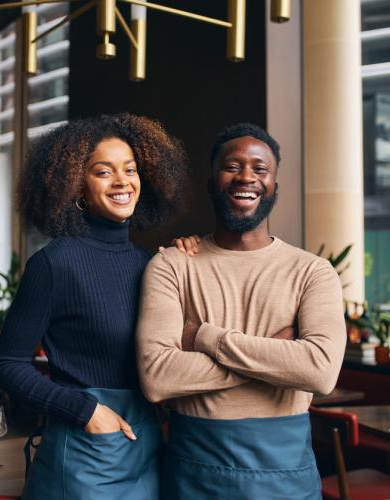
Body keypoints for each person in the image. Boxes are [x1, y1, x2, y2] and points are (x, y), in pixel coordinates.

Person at [0, 113, 194, 500]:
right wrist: (86, 411)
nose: (122, 182)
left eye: (130, 170)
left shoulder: (151, 263)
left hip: (147, 446)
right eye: (104, 172)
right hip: (85, 452)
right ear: (76, 185)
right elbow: (7, 365)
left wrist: (187, 260)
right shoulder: (55, 263)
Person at [136, 123, 346, 499]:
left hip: (286, 473)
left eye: (260, 168)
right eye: (232, 166)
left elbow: (320, 371)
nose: (246, 176)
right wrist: (275, 358)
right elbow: (157, 378)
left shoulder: (313, 271)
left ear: (274, 187)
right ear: (211, 183)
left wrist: (204, 337)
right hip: (195, 471)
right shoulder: (172, 265)